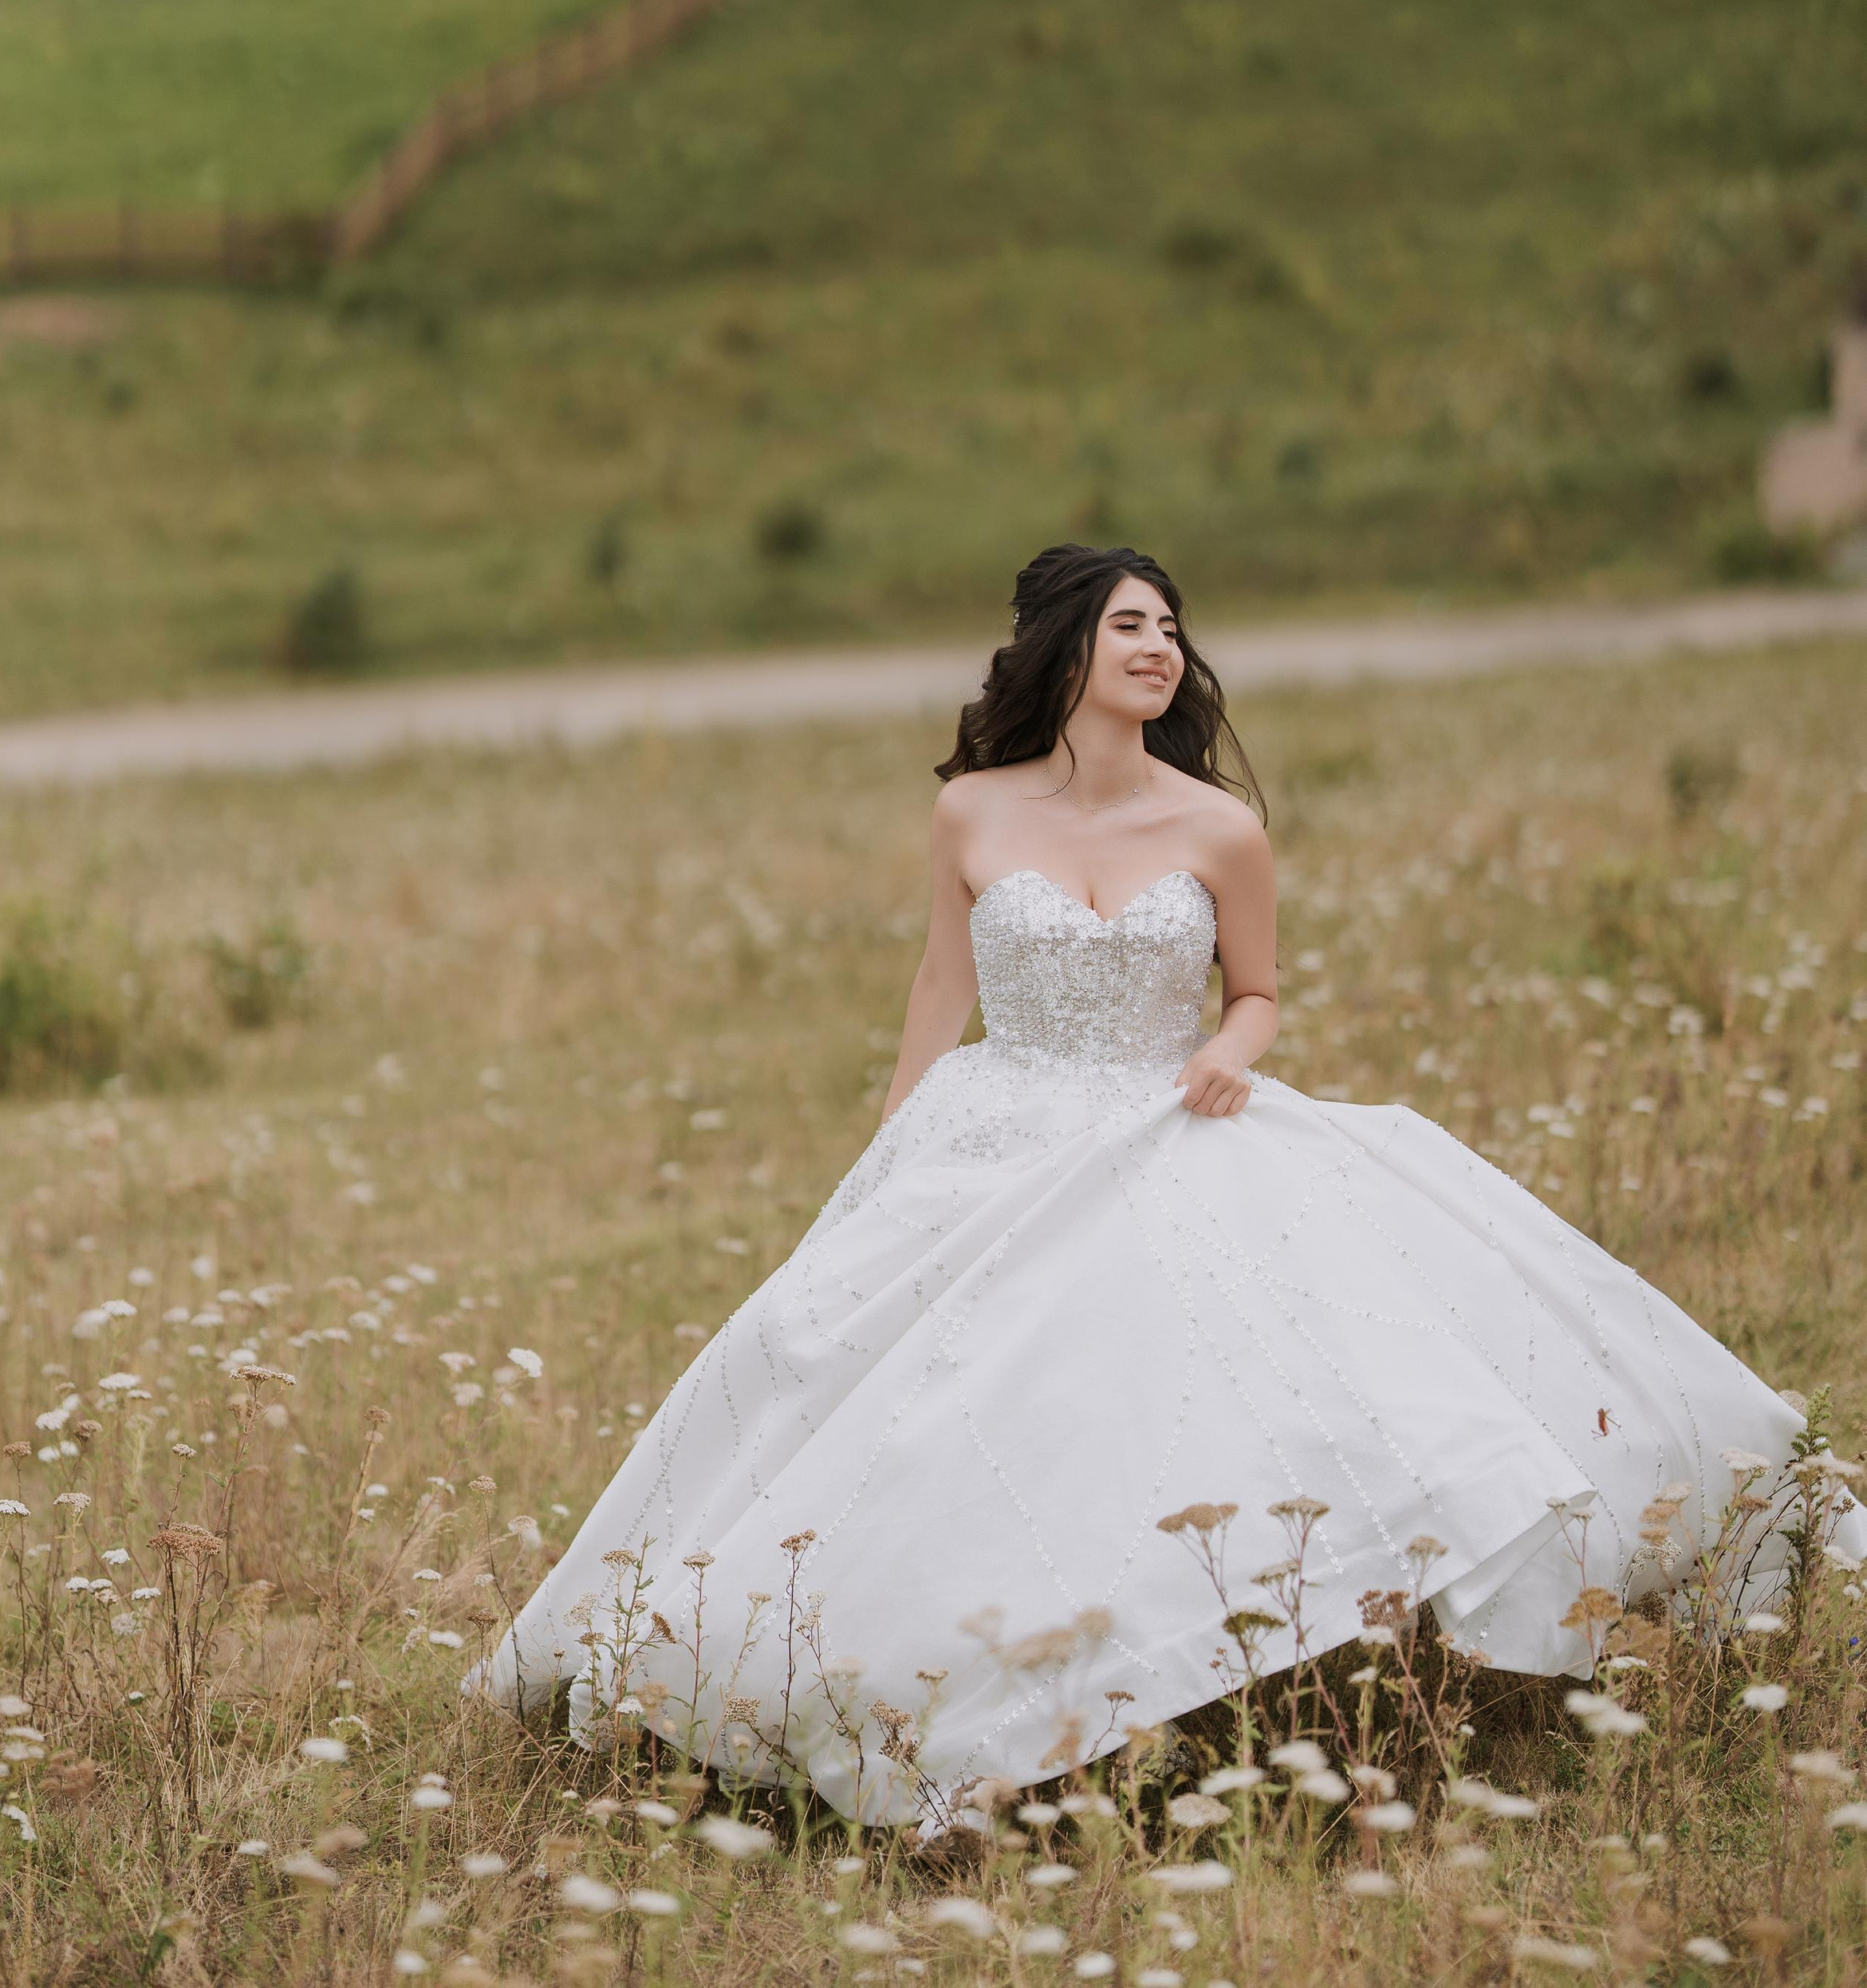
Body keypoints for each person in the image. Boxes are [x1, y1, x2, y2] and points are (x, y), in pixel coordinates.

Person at [471, 542, 1861, 1825]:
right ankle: (897, 1667)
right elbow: (942, 984)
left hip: (1168, 1120)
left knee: (1221, 1385)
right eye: (1132, 625)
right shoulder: (970, 812)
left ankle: (1247, 1652)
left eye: (1173, 630)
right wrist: (894, 1140)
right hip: (996, 1131)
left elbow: (1256, 993)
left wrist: (1228, 1056)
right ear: (1065, 650)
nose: (1162, 648)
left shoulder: (1219, 828)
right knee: (895, 1383)